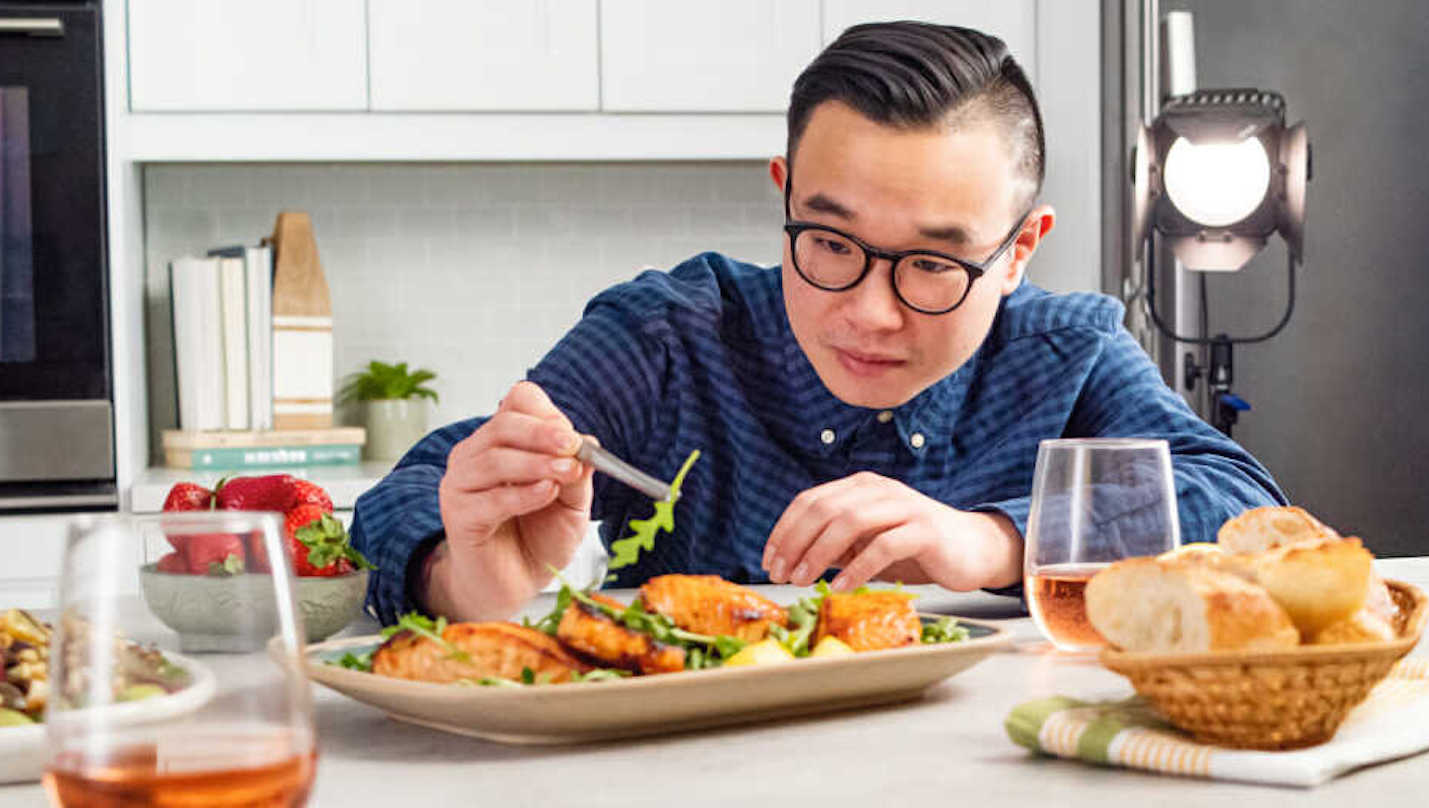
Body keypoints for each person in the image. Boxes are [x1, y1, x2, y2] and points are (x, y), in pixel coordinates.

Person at [350, 21, 1283, 623]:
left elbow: (1249, 506)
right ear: (784, 197)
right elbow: (418, 488)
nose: (871, 313)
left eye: (932, 264)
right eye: (831, 245)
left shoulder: (1065, 353)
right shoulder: (671, 337)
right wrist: (464, 577)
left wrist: (991, 541)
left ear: (1019, 251)